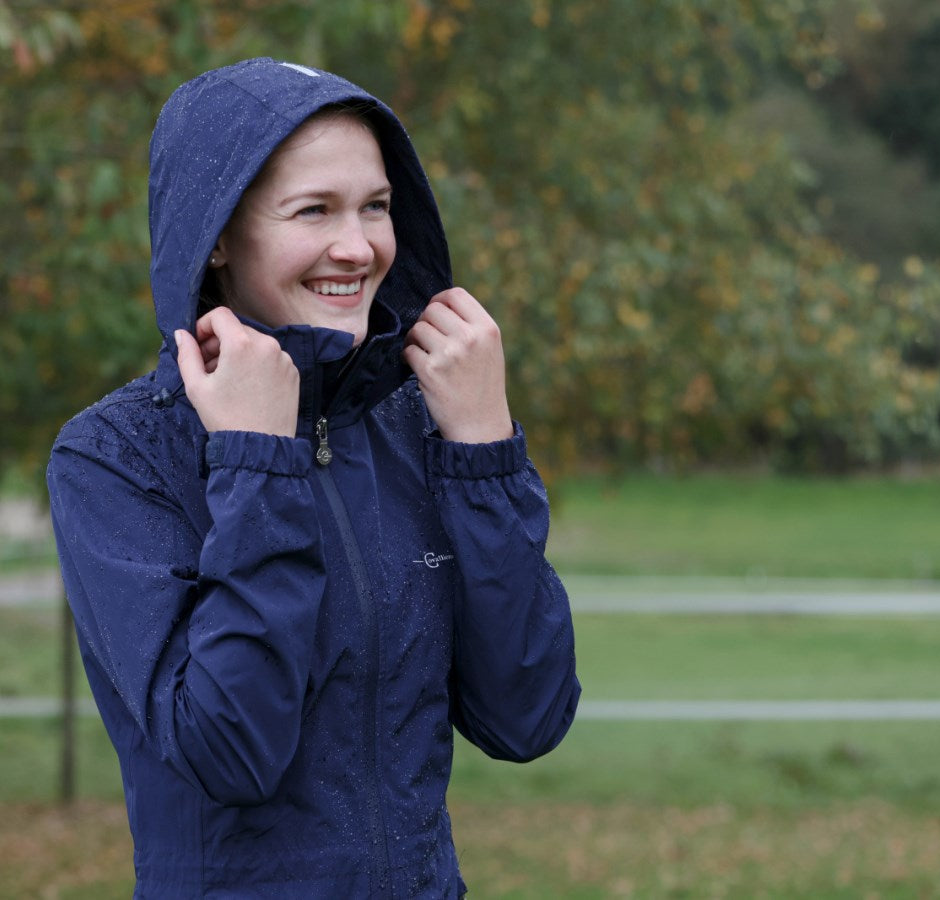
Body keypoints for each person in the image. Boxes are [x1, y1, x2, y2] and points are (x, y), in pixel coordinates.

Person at [47, 57, 580, 898]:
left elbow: (528, 717)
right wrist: (257, 458)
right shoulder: (117, 456)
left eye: (376, 206)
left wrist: (484, 454)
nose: (358, 247)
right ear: (217, 235)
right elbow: (232, 752)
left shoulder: (422, 423)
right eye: (313, 210)